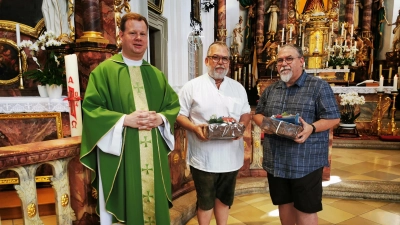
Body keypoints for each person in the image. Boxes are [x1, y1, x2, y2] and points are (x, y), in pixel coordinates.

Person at [80, 12, 180, 225]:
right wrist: (124, 120)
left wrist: (161, 119)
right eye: (133, 33)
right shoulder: (104, 72)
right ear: (121, 36)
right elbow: (91, 109)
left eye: (143, 34)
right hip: (122, 154)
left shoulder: (156, 74)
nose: (139, 38)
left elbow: (172, 106)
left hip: (152, 152)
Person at [253, 44, 340, 225]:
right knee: (284, 204)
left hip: (305, 161)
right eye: (280, 60)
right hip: (277, 160)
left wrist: (312, 128)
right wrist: (268, 124)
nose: (283, 63)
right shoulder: (271, 89)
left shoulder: (318, 87)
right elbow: (258, 114)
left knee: (306, 208)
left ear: (301, 61)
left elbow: (333, 118)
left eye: (289, 59)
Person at [176, 41, 251, 225]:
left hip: (231, 156)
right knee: (205, 201)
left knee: (225, 200)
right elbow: (179, 115)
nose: (220, 62)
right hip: (204, 157)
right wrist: (194, 128)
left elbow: (246, 112)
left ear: (229, 62)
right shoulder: (192, 87)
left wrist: (241, 126)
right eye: (216, 57)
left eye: (225, 58)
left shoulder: (238, 88)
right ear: (207, 60)